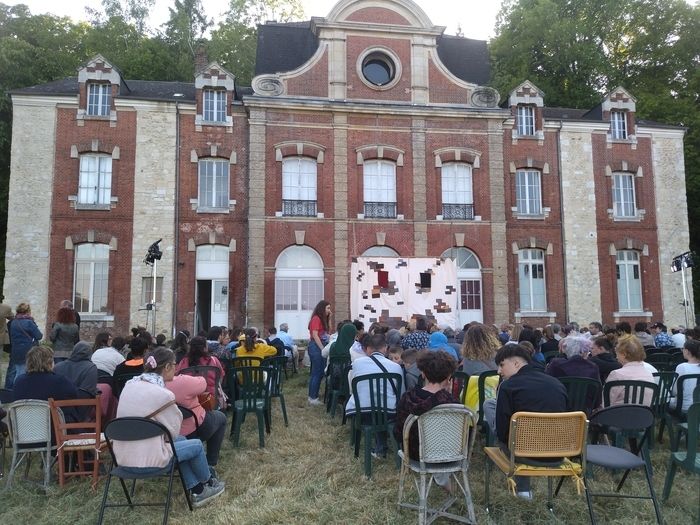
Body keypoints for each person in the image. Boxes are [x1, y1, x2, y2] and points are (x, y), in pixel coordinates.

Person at [114, 347, 225, 507]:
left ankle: (197, 488)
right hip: (149, 462)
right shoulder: (163, 394)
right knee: (194, 445)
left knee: (182, 440)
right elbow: (172, 432)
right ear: (166, 367)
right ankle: (207, 482)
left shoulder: (129, 386)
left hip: (122, 458)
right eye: (174, 364)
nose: (176, 368)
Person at [485, 344, 567, 499]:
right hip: (558, 453)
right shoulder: (557, 384)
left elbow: (502, 432)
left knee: (509, 432)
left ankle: (523, 492)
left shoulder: (508, 386)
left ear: (516, 363)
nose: (499, 371)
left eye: (502, 365)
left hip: (522, 454)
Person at [393, 350, 459, 489]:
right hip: (449, 454)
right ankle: (445, 482)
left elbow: (399, 432)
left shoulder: (408, 399)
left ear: (423, 373)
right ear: (449, 376)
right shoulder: (453, 404)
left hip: (416, 454)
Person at [345, 333, 405, 458]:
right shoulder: (396, 367)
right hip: (388, 412)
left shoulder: (357, 363)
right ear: (385, 348)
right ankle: (381, 448)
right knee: (381, 406)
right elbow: (401, 393)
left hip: (362, 412)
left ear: (368, 348)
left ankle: (379, 448)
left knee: (374, 406)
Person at [166, 369, 227, 472]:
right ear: (167, 367)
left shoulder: (147, 387)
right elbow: (204, 383)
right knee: (221, 417)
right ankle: (210, 462)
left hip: (166, 434)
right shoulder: (180, 381)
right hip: (193, 428)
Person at [12, 345, 79, 404]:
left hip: (26, 418)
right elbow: (74, 395)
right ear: (49, 362)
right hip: (50, 417)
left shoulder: (19, 381)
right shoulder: (59, 381)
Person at [606, 335, 655, 406]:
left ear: (623, 355)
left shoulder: (616, 374)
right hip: (644, 416)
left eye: (617, 353)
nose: (616, 357)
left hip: (618, 415)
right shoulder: (649, 374)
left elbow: (606, 403)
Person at [176, 336, 226, 402]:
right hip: (211, 399)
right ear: (205, 348)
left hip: (189, 400)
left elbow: (178, 377)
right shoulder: (214, 360)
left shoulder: (184, 361)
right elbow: (220, 377)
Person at [5, 302, 43, 389]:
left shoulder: (13, 322)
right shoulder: (29, 323)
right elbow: (39, 336)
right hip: (28, 351)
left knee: (15, 372)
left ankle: (9, 391)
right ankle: (21, 390)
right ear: (27, 311)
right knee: (24, 372)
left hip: (15, 350)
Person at [307, 300, 332, 406]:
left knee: (319, 372)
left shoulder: (323, 319)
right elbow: (315, 335)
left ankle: (313, 394)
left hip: (320, 346)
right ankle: (312, 397)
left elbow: (328, 331)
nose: (329, 310)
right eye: (328, 308)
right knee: (317, 372)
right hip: (316, 347)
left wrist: (329, 318)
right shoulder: (316, 319)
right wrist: (322, 348)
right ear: (322, 309)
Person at [671, 339, 700, 412]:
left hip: (684, 406)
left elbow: (675, 392)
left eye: (683, 348)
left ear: (687, 351)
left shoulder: (682, 367)